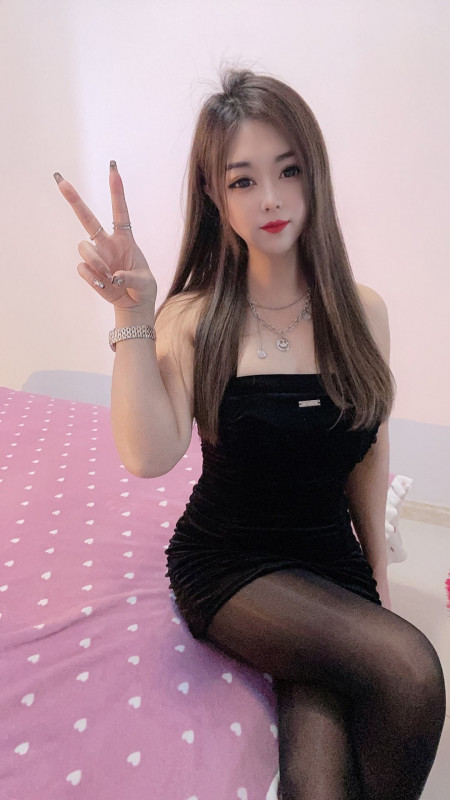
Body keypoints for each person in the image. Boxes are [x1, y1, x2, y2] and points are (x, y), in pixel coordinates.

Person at [55, 67, 445, 800]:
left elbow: (369, 452)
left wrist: (376, 584)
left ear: (314, 175)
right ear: (214, 194)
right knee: (411, 670)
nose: (270, 197)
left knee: (321, 778)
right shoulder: (194, 318)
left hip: (329, 559)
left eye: (289, 170)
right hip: (232, 564)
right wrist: (132, 315)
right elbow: (148, 455)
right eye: (243, 180)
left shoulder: (364, 312)